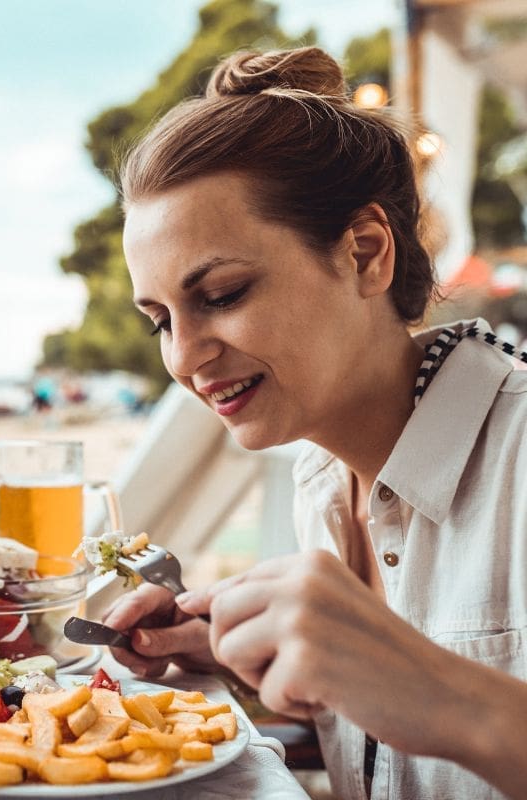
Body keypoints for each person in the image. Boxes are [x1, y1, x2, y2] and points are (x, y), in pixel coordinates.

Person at [103, 46, 527, 799]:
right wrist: (253, 653)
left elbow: (433, 700)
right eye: (159, 320)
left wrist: (444, 695)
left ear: (366, 254)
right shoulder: (321, 478)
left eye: (223, 294)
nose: (183, 356)